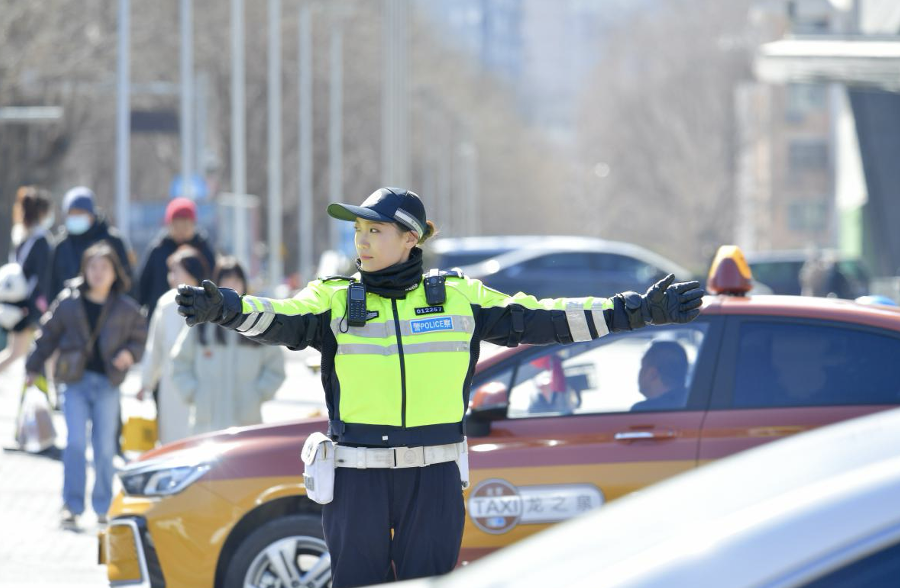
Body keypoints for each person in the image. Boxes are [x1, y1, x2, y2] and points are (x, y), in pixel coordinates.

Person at [174, 187, 704, 587]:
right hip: (357, 482)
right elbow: (280, 317)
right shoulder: (334, 298)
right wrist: (227, 308)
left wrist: (635, 313)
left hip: (434, 479)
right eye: (358, 230)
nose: (361, 240)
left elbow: (545, 317)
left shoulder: (456, 297)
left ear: (411, 238)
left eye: (374, 230)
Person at [25, 243, 147, 527]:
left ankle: (104, 505)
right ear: (84, 270)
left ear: (115, 272)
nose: (98, 273)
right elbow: (47, 333)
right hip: (74, 382)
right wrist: (33, 366)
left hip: (108, 383)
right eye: (92, 267)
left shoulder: (126, 308)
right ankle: (72, 505)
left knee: (105, 447)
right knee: (76, 444)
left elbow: (140, 339)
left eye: (104, 267)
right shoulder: (68, 302)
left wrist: (129, 354)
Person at [171, 257, 286, 436]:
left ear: (244, 284)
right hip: (206, 425)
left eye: (236, 280)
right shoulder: (202, 323)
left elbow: (276, 367)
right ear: (216, 285)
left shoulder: (257, 321)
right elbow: (179, 363)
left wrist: (257, 394)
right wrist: (194, 393)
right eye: (226, 280)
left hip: (247, 423)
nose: (232, 285)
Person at [138, 246, 209, 444]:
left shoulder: (212, 302)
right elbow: (156, 348)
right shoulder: (166, 303)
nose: (171, 276)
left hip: (206, 379)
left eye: (176, 270)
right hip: (172, 382)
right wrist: (147, 382)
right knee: (174, 439)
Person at [0, 186, 54, 374]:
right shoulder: (41, 240)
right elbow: (41, 277)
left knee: (15, 353)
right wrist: (42, 308)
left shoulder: (22, 238)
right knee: (47, 353)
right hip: (33, 308)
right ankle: (51, 394)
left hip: (17, 306)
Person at [49, 186, 134, 302]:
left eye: (80, 213)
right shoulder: (61, 246)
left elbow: (127, 280)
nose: (75, 217)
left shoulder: (113, 240)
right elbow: (52, 285)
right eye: (71, 214)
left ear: (92, 214)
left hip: (109, 309)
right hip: (71, 312)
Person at [137, 197, 216, 319]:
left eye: (185, 224)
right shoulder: (158, 250)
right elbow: (143, 287)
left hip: (197, 316)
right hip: (161, 314)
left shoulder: (204, 250)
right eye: (176, 225)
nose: (181, 230)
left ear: (194, 224)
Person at [631, 341, 689, 411]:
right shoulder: (692, 403)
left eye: (642, 367)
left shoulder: (641, 410)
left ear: (652, 374)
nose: (640, 372)